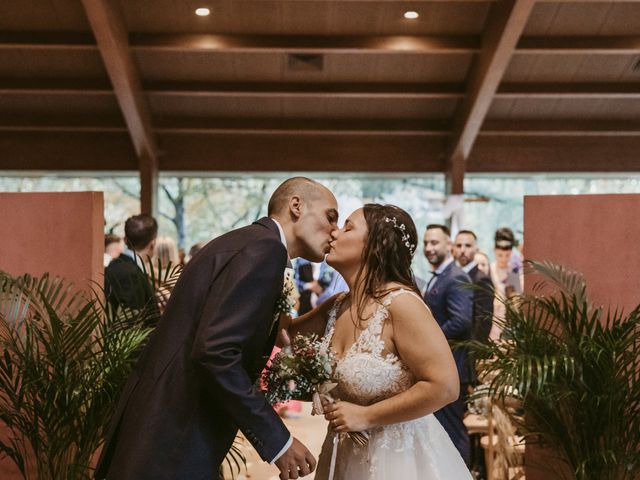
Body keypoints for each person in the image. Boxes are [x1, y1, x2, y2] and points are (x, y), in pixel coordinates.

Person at [94, 177, 339, 480]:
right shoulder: (265, 250)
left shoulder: (244, 242)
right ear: (296, 206)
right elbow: (216, 353)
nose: (335, 230)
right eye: (331, 216)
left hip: (160, 427)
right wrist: (279, 441)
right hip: (174, 439)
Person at [287, 205, 472, 480]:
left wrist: (368, 416)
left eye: (348, 227)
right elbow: (282, 335)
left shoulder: (402, 305)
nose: (334, 233)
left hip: (400, 460)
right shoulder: (336, 307)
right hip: (345, 456)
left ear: (377, 245)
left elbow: (445, 386)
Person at [423, 224, 474, 466]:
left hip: (453, 366)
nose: (429, 248)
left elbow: (461, 320)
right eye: (426, 243)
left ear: (448, 246)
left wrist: (429, 340)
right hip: (440, 366)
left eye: (434, 243)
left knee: (453, 430)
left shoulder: (455, 277)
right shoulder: (440, 276)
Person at [104, 214, 157, 312]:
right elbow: (132, 322)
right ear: (152, 244)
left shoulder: (115, 265)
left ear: (125, 240)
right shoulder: (132, 274)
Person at [453, 230, 494, 344]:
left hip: (468, 348)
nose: (462, 250)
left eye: (468, 246)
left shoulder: (481, 279)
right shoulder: (450, 276)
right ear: (453, 249)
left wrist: (472, 352)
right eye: (459, 245)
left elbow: (484, 320)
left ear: (476, 249)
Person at [489, 228, 523, 340]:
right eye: (500, 255)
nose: (503, 259)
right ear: (494, 250)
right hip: (490, 319)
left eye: (507, 255)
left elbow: (517, 303)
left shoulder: (514, 273)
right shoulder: (489, 270)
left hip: (508, 324)